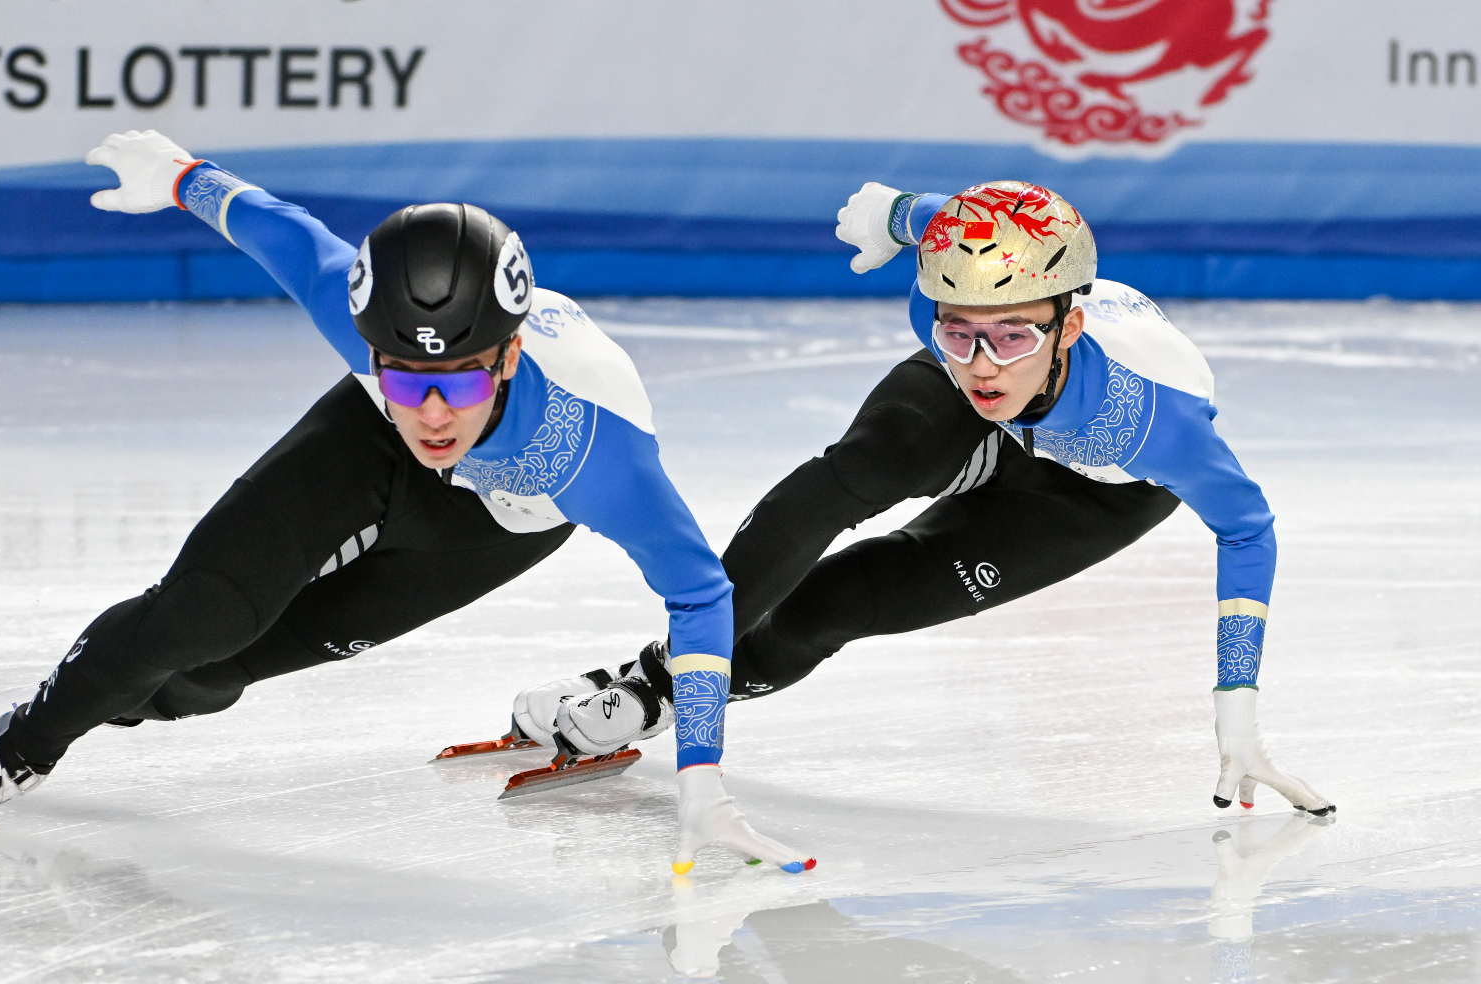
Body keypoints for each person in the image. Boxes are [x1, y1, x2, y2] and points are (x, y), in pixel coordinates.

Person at [0, 130, 815, 876]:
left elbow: (700, 595)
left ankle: (120, 693)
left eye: (463, 383)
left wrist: (699, 773)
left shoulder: (591, 448)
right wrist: (179, 175)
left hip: (490, 525)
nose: (432, 412)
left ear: (509, 357)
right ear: (371, 345)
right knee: (199, 611)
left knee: (216, 673)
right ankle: (16, 742)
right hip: (358, 448)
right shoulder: (368, 342)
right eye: (402, 373)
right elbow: (279, 231)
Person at [516, 179, 1334, 817]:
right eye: (956, 330)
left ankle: (665, 685)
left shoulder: (1153, 417)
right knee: (839, 484)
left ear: (1070, 329)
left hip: (1092, 494)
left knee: (841, 603)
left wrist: (1237, 706)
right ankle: (656, 681)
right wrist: (903, 212)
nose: (983, 363)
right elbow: (953, 226)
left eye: (1014, 334)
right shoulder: (959, 331)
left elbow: (1249, 531)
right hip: (1000, 411)